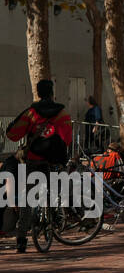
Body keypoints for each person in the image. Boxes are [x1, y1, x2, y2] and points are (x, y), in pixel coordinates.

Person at [3, 79, 73, 253]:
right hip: (54, 162)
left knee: (28, 199)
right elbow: (68, 138)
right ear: (52, 92)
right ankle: (54, 219)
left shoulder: (31, 113)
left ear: (38, 92)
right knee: (56, 192)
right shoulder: (62, 113)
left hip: (34, 161)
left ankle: (21, 239)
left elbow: (12, 134)